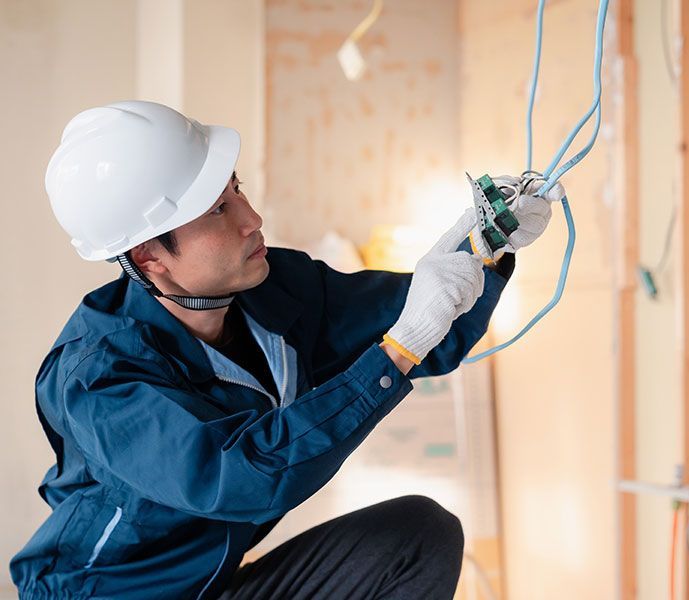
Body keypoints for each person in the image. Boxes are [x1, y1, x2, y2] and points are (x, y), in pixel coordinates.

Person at [10, 101, 555, 599]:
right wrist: (396, 353)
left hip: (211, 588)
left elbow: (415, 321)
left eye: (237, 189)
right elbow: (243, 475)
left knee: (418, 537)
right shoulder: (99, 378)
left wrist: (486, 247)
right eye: (219, 210)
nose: (251, 218)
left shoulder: (273, 289)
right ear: (150, 255)